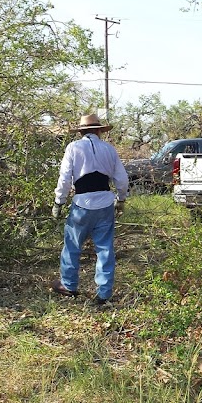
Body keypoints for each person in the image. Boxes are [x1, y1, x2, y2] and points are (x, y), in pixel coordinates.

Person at [51, 114, 129, 305]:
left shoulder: (73, 147)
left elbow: (65, 178)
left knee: (72, 246)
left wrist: (58, 202)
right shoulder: (109, 149)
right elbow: (122, 178)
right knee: (105, 248)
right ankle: (104, 293)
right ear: (99, 130)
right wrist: (121, 199)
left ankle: (69, 285)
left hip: (82, 204)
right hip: (105, 203)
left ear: (81, 131)